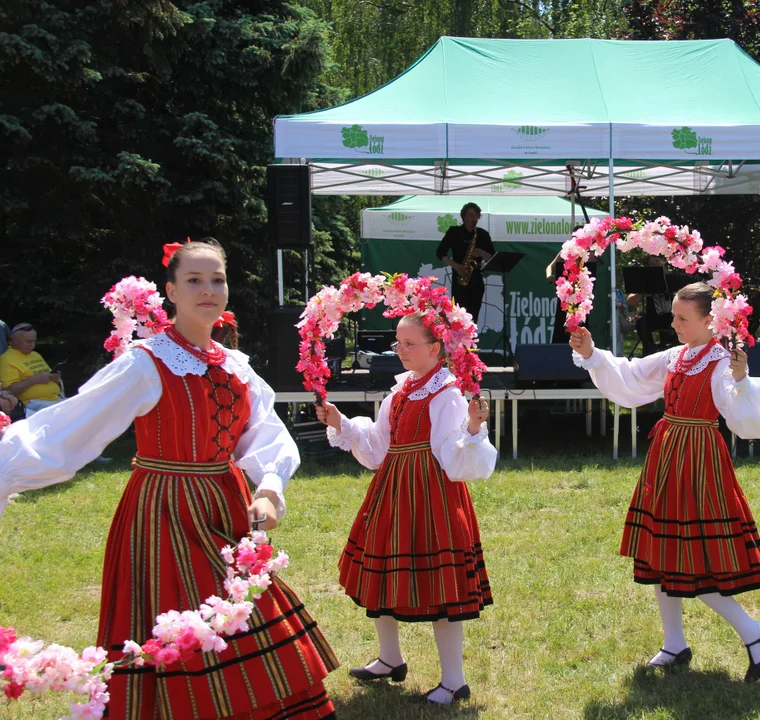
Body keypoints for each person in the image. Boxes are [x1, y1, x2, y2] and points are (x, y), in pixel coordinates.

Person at [0, 239, 339, 718]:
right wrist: (5, 470)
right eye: (194, 281)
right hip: (164, 512)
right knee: (175, 621)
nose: (208, 290)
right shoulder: (146, 362)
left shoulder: (235, 365)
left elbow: (265, 432)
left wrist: (268, 488)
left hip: (227, 507)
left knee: (242, 615)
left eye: (217, 279)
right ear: (171, 292)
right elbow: (72, 428)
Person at [569, 282, 760, 683]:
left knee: (697, 562)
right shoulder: (677, 356)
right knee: (661, 553)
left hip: (699, 462)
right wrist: (592, 354)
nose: (675, 323)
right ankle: (674, 643)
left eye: (684, 318)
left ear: (709, 321)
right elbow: (632, 378)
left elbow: (745, 418)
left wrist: (741, 379)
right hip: (667, 456)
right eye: (675, 316)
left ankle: (753, 633)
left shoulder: (721, 361)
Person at [316, 312, 496, 705]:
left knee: (440, 585)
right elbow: (380, 445)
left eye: (408, 344)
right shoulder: (401, 390)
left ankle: (454, 680)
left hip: (431, 495)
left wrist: (471, 429)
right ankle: (390, 658)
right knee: (379, 572)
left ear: (435, 349)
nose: (400, 351)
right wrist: (341, 422)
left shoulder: (447, 392)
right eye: (397, 343)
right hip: (393, 489)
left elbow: (453, 456)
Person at [436, 202, 495, 324]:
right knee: (457, 318)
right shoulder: (454, 232)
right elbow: (440, 253)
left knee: (473, 317)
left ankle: (470, 341)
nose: (472, 218)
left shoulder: (482, 234)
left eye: (475, 215)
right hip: (459, 279)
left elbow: (492, 257)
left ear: (478, 217)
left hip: (476, 280)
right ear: (463, 216)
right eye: (469, 215)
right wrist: (455, 265)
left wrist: (483, 253)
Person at [0, 322, 63, 415]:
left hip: (55, 399)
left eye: (34, 341)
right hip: (33, 404)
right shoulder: (6, 359)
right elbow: (9, 390)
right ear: (14, 340)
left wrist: (54, 377)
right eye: (28, 341)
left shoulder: (35, 355)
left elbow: (48, 374)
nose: (32, 345)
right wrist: (34, 380)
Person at [627, 255, 678, 356]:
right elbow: (630, 301)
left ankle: (676, 350)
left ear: (664, 261)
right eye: (651, 262)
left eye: (656, 261)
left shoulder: (674, 278)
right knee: (640, 323)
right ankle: (650, 351)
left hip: (672, 317)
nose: (653, 264)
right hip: (653, 317)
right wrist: (643, 293)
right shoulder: (645, 280)